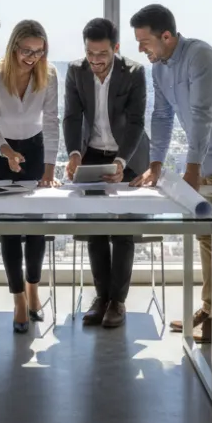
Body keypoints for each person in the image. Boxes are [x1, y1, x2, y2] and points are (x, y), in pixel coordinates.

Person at [129, 4, 212, 343]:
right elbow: (161, 115)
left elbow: (202, 115)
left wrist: (192, 169)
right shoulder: (159, 68)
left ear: (166, 36)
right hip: (203, 159)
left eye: (144, 42)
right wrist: (155, 163)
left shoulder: (201, 56)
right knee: (205, 235)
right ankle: (210, 308)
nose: (140, 48)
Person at [63, 17, 149, 329]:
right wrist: (74, 153)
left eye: (102, 54)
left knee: (123, 231)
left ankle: (117, 301)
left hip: (127, 155)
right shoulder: (76, 71)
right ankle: (101, 298)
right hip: (92, 153)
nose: (95, 60)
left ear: (115, 48)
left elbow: (136, 121)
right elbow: (72, 117)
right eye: (90, 53)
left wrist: (122, 160)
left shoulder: (134, 72)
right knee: (95, 228)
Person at [0, 19, 60, 333]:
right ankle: (18, 301)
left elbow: (51, 121)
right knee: (10, 230)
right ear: (13, 47)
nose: (32, 57)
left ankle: (33, 290)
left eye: (39, 51)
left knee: (36, 228)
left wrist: (50, 168)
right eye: (26, 50)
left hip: (35, 151)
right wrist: (7, 152)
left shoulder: (49, 74)